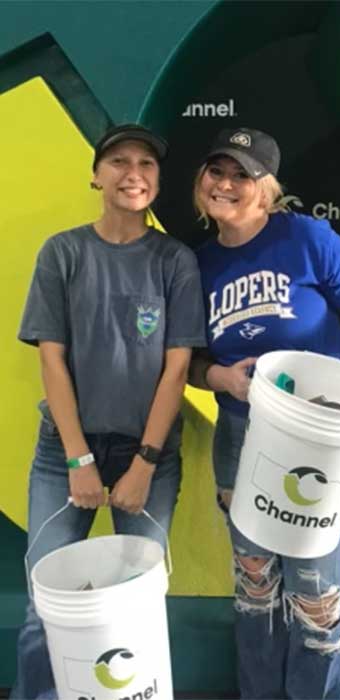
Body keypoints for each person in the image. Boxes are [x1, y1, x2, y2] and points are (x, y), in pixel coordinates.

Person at [189, 127, 340, 700]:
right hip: (241, 432)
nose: (226, 183)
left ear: (266, 189)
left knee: (315, 588)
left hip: (319, 436)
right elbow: (187, 361)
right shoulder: (196, 264)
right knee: (256, 586)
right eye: (217, 170)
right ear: (201, 180)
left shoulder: (306, 237)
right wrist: (219, 377)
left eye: (243, 174)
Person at [11, 123, 206, 700]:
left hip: (149, 455)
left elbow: (176, 370)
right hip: (65, 453)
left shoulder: (175, 261)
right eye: (119, 162)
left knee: (136, 607)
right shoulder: (63, 252)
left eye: (146, 165)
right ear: (96, 175)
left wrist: (144, 463)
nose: (134, 174)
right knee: (44, 608)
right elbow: (52, 361)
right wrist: (79, 460)